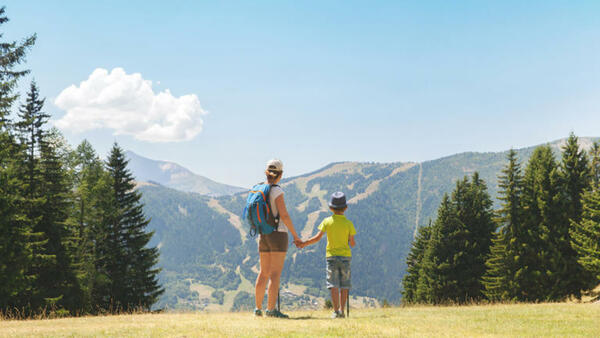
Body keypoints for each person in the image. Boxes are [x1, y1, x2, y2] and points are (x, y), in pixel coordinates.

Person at [254, 159, 302, 318]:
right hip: (278, 234)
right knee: (275, 274)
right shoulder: (277, 191)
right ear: (280, 174)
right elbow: (284, 215)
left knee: (263, 273)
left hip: (263, 234)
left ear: (266, 173)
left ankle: (258, 309)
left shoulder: (259, 189)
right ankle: (271, 310)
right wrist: (295, 236)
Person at [298, 191, 356, 319]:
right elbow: (352, 243)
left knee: (333, 284)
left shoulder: (326, 221)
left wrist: (304, 243)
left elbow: (317, 238)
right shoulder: (349, 224)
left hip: (331, 257)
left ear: (330, 208)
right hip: (346, 257)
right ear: (345, 208)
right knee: (344, 285)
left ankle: (336, 311)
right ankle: (342, 309)